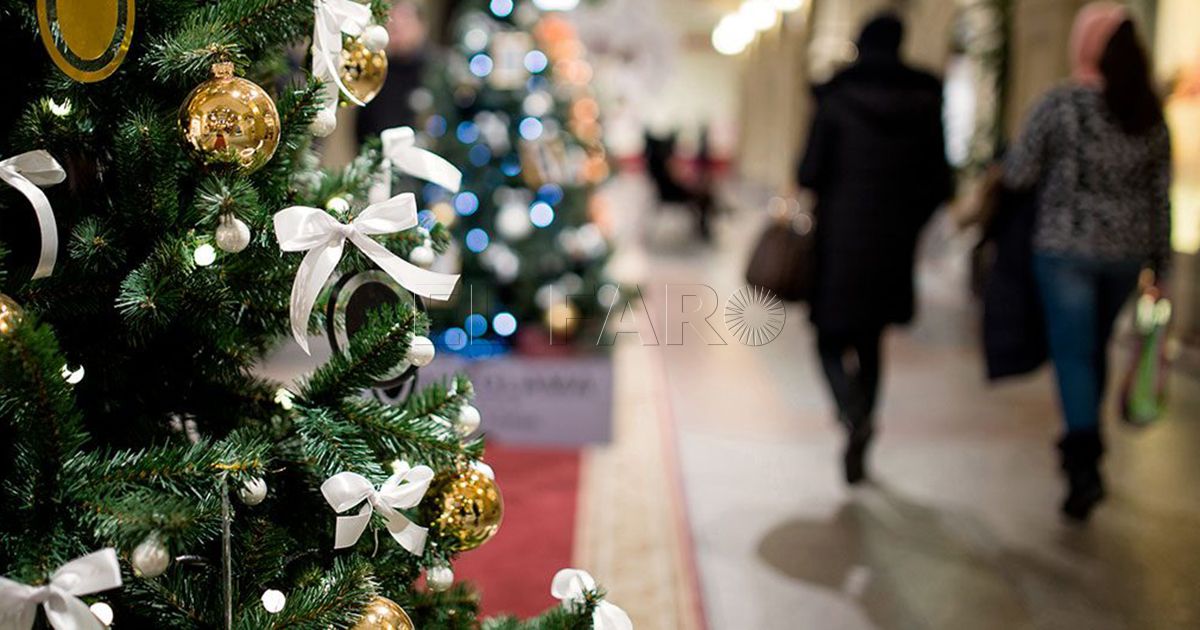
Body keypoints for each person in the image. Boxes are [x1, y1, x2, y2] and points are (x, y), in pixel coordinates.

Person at [1003, 2, 1171, 522]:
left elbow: (1019, 171)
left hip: (1066, 249)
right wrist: (1161, 265)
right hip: (1126, 255)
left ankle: (1083, 461)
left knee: (1074, 354)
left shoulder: (1063, 104)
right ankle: (1086, 441)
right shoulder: (1146, 111)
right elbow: (1160, 194)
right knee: (1091, 349)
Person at [797, 13, 952, 484]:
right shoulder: (924, 100)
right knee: (870, 340)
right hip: (893, 239)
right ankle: (862, 416)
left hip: (841, 237)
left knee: (827, 336)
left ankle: (851, 412)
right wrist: (908, 220)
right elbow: (940, 181)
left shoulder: (837, 97)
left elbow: (808, 171)